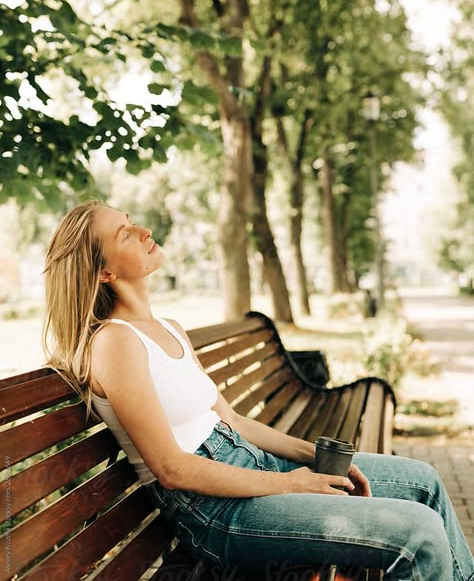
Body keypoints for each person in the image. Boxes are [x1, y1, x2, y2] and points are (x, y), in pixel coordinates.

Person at [43, 200, 474, 580]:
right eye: (126, 234)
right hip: (214, 510)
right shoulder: (115, 343)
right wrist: (291, 485)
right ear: (104, 271)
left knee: (425, 481)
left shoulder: (168, 329)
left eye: (133, 222)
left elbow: (230, 420)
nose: (145, 232)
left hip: (250, 467)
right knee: (417, 534)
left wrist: (313, 457)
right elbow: (172, 468)